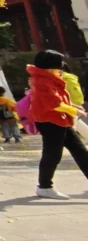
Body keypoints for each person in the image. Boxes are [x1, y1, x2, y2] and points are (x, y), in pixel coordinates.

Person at [28, 50, 88, 200]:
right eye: (59, 63)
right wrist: (74, 110)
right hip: (49, 121)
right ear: (51, 65)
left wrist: (73, 106)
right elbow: (54, 103)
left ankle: (44, 186)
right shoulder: (42, 81)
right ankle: (44, 187)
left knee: (80, 151)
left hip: (60, 119)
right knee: (52, 154)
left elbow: (59, 99)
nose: (61, 65)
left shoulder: (48, 78)